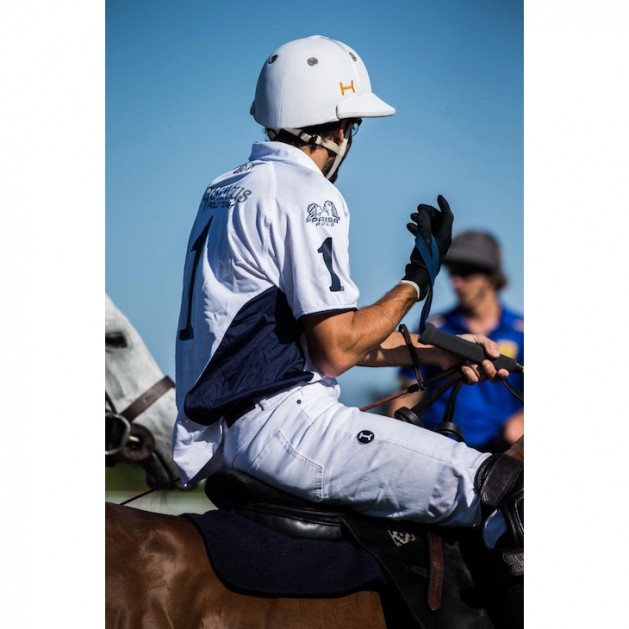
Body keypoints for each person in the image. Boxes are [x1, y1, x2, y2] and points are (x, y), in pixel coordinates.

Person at [172, 35, 522, 560]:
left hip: (232, 437)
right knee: (507, 491)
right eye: (352, 128)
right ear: (337, 129)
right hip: (290, 426)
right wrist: (416, 283)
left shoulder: (224, 188)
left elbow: (312, 344)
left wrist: (437, 352)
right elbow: (338, 350)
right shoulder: (308, 191)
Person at [388, 230, 524, 453]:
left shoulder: (523, 331)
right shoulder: (434, 329)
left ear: (491, 275)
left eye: (466, 273)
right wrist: (393, 443)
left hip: (500, 458)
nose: (456, 282)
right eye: (453, 272)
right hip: (438, 454)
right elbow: (406, 396)